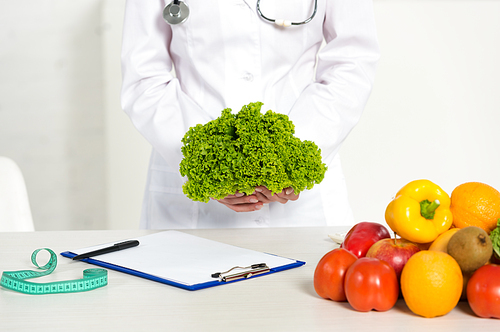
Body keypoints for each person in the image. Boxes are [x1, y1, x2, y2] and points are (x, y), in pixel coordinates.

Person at [120, 0, 380, 229]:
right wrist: (210, 167)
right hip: (192, 210)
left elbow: (352, 61)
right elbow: (143, 77)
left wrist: (285, 158)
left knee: (309, 283)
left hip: (302, 207)